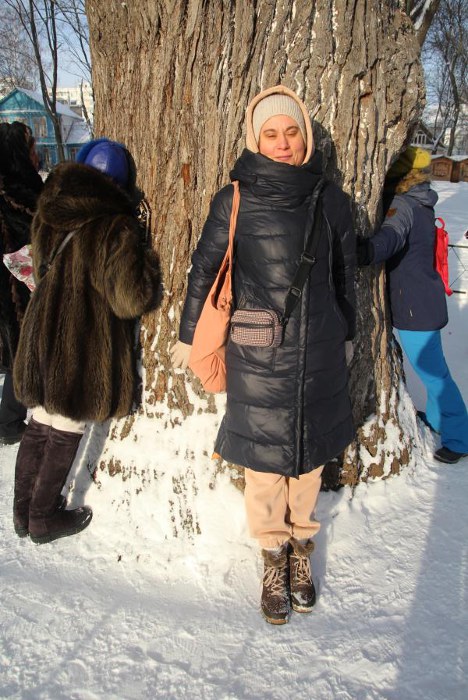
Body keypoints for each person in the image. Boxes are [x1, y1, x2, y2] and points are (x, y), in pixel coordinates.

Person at [171, 85, 356, 624]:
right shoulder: (234, 199)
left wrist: (347, 334)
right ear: (256, 140)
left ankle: (302, 550)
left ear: (306, 138)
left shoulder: (331, 200)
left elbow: (344, 275)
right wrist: (188, 334)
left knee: (309, 464)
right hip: (258, 354)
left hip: (319, 352)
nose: (282, 142)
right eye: (271, 133)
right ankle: (273, 556)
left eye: (291, 132)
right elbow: (204, 271)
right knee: (265, 469)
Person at [12, 138, 162, 544]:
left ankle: (22, 512)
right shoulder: (116, 226)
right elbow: (130, 299)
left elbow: (41, 270)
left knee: (40, 421)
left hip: (42, 330)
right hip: (81, 342)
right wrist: (147, 261)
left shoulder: (50, 211)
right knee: (67, 424)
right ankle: (44, 516)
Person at [357, 146, 468, 464]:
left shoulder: (404, 204)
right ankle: (436, 420)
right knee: (434, 371)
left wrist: (362, 250)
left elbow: (390, 238)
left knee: (435, 375)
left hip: (416, 308)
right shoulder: (422, 200)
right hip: (422, 301)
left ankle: (460, 438)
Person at [0, 122, 43, 445]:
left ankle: (11, 420)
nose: (36, 156)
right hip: (15, 286)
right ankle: (10, 423)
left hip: (18, 281)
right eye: (31, 149)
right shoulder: (14, 190)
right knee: (22, 349)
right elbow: (35, 225)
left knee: (21, 349)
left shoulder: (20, 184)